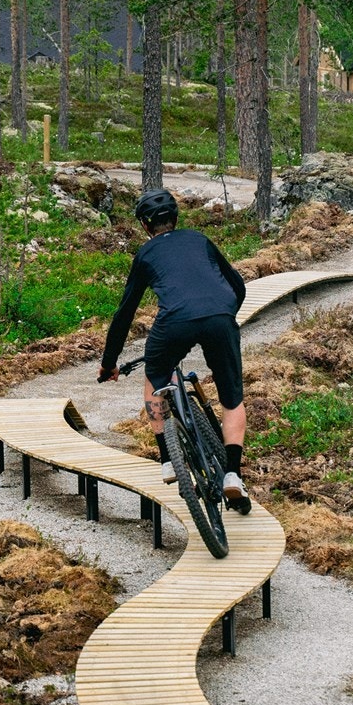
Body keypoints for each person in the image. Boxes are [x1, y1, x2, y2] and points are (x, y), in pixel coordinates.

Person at [97, 188, 251, 513]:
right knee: (231, 398)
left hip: (175, 322)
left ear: (144, 225)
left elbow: (125, 312)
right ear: (177, 218)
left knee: (155, 375)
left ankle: (168, 461)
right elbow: (237, 285)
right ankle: (233, 475)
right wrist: (224, 318)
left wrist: (109, 363)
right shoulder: (199, 239)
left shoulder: (146, 254)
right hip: (220, 316)